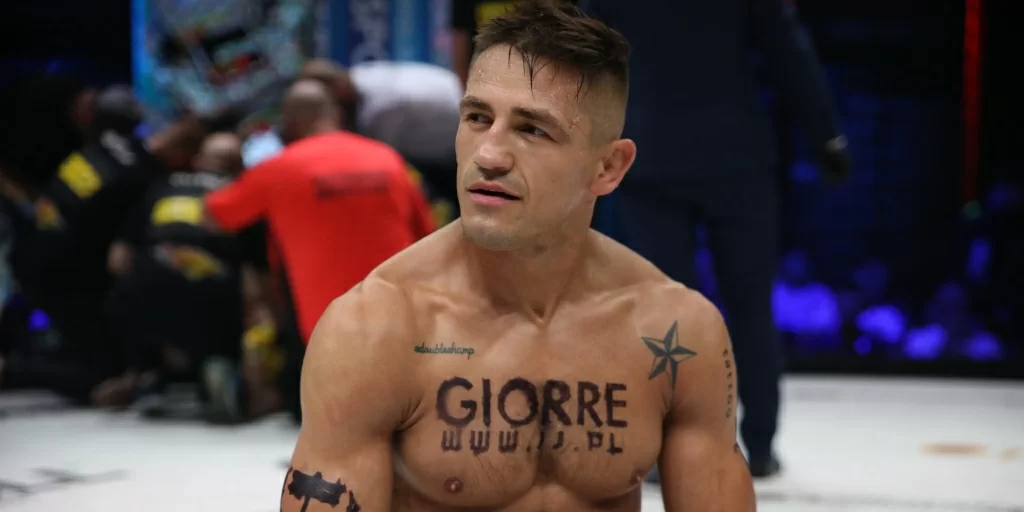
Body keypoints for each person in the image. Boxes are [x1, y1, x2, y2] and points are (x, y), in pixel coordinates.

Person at [280, 2, 755, 511]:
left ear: (608, 167)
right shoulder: (373, 329)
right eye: (477, 118)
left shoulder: (678, 330)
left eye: (533, 130)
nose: (489, 155)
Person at [580, 0, 853, 477]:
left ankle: (664, 448)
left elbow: (583, 54)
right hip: (735, 153)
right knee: (750, 305)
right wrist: (826, 136)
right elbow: (787, 50)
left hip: (650, 150)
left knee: (662, 313)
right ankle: (761, 445)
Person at [204, 79, 435, 422]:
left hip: (326, 327)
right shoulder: (388, 158)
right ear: (335, 114)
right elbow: (426, 231)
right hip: (398, 315)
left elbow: (214, 215)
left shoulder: (280, 168)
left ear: (290, 122)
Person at [102, 132, 255, 421]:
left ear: (198, 160)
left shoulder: (161, 186)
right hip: (211, 295)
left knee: (130, 299)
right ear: (240, 167)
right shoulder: (241, 194)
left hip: (142, 290)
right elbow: (253, 276)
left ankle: (146, 374)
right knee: (233, 305)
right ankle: (220, 366)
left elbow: (117, 260)